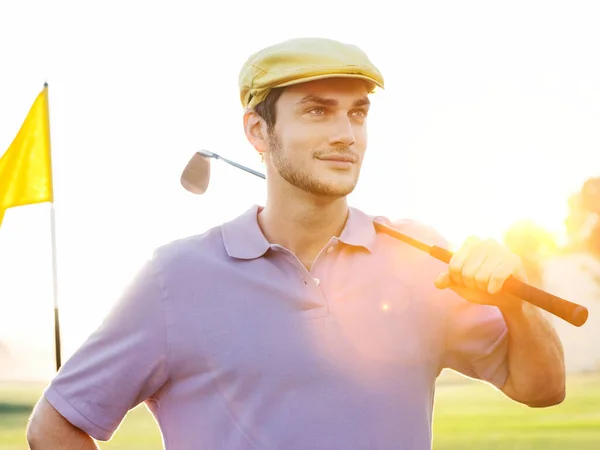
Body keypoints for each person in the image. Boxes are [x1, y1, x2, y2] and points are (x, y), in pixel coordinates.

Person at [26, 37, 566, 450]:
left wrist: (512, 301)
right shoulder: (176, 278)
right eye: (317, 110)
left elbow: (541, 388)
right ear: (258, 133)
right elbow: (56, 423)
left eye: (357, 112)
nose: (346, 134)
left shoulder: (419, 257)